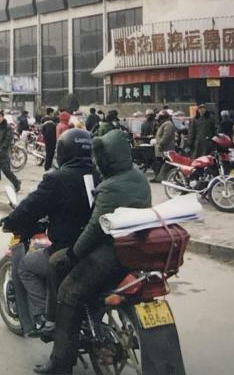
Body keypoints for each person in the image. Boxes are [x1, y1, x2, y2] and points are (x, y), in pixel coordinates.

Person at [36, 128, 151, 375]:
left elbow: (94, 229)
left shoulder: (110, 186)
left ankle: (60, 363)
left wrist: (73, 254)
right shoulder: (138, 177)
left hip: (112, 254)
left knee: (67, 290)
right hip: (135, 249)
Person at [1, 129, 96, 336]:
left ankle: (45, 319)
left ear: (63, 152)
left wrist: (11, 220)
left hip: (70, 249)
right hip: (98, 248)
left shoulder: (57, 179)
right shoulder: (99, 174)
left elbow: (32, 205)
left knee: (26, 266)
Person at [0, 110, 21, 194]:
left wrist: (3, 147)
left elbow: (8, 138)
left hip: (2, 153)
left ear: (3, 117)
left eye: (0, 116)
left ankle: (16, 183)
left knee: (6, 170)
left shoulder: (7, 126)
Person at [151, 110, 177, 182]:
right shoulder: (164, 124)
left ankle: (160, 177)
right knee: (159, 164)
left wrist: (160, 144)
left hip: (165, 149)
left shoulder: (168, 124)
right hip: (162, 149)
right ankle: (158, 177)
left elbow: (166, 136)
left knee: (163, 164)